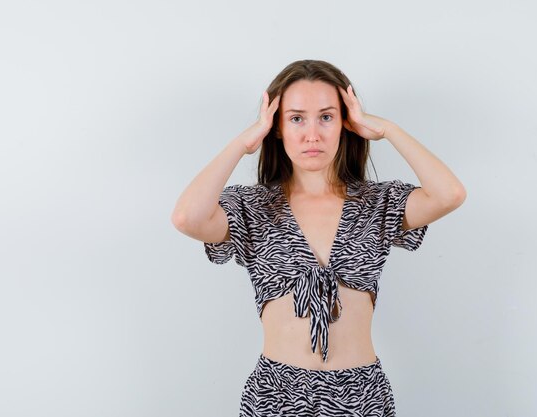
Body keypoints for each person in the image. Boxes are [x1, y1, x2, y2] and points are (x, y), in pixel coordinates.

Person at [171, 59, 466, 416]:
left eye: (326, 117)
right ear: (277, 127)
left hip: (361, 394)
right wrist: (242, 144)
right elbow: (187, 217)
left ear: (345, 122)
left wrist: (386, 129)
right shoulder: (252, 206)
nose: (312, 134)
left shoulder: (377, 202)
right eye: (296, 118)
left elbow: (449, 194)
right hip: (276, 394)